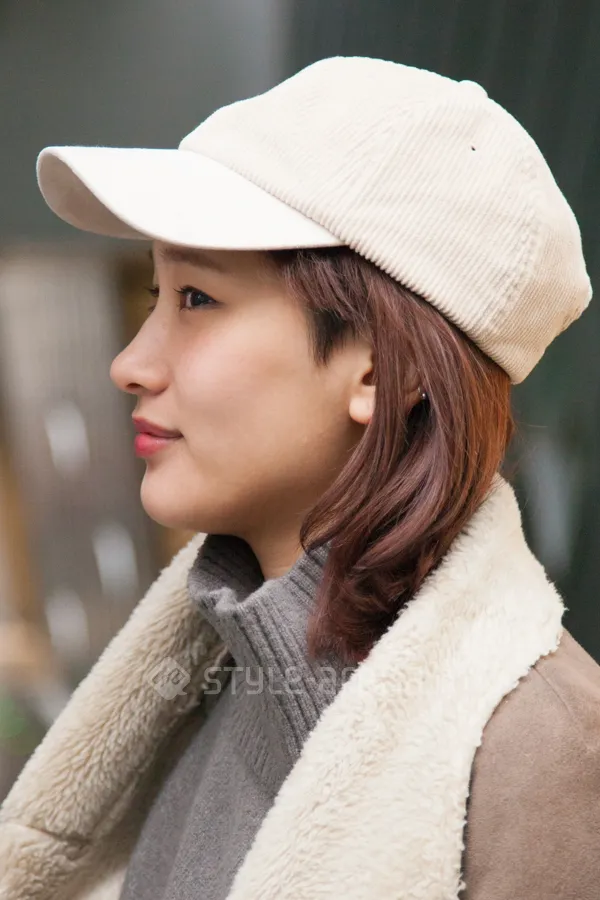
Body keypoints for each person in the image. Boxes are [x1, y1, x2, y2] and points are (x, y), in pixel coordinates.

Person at [0, 55, 599, 900]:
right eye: (155, 294)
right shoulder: (214, 678)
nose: (130, 363)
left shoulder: (544, 751)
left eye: (197, 299)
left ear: (379, 369)